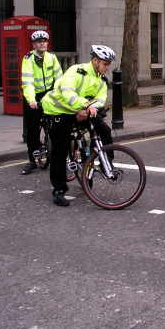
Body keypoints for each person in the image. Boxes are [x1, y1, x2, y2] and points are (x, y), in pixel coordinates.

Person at [41, 45, 115, 207]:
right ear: (95, 61)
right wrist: (84, 106)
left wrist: (90, 110)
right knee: (60, 151)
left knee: (104, 129)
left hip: (81, 110)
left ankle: (106, 163)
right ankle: (59, 191)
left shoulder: (101, 79)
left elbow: (101, 99)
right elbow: (67, 92)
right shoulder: (77, 71)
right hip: (58, 110)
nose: (107, 67)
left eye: (109, 64)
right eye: (105, 63)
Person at [20, 30, 63, 175]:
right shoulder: (28, 59)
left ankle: (56, 153)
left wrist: (57, 94)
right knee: (32, 129)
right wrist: (31, 100)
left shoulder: (52, 58)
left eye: (44, 41)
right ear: (34, 44)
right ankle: (32, 160)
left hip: (49, 94)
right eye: (39, 41)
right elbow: (27, 82)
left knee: (56, 125)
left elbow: (59, 78)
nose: (42, 43)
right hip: (34, 95)